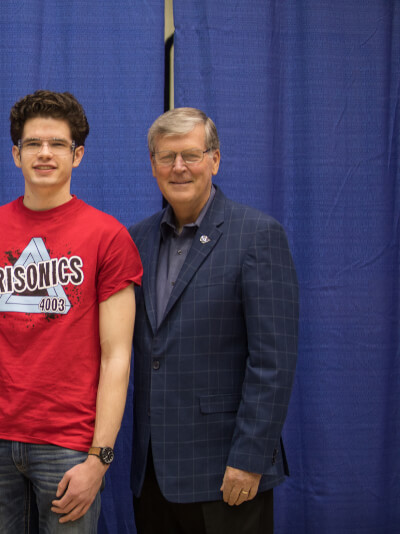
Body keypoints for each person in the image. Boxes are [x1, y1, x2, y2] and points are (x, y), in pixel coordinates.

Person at [0, 90, 143, 533]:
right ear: (16, 155)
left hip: (69, 443)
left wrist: (100, 458)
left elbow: (117, 358)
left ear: (78, 155)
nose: (45, 153)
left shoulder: (108, 236)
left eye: (57, 144)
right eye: (33, 143)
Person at [128, 108, 299, 534]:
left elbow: (272, 362)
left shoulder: (257, 235)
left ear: (215, 159)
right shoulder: (136, 240)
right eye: (167, 157)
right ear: (152, 165)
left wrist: (249, 458)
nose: (179, 167)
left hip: (228, 472)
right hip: (152, 474)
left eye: (191, 154)